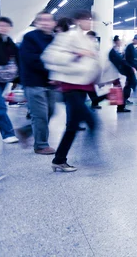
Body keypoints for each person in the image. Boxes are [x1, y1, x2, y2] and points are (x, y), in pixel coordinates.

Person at [42, 10, 101, 172]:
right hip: (71, 87)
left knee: (73, 126)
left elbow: (92, 64)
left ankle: (59, 160)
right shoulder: (67, 36)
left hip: (83, 87)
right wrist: (77, 53)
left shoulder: (88, 40)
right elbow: (49, 57)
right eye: (87, 19)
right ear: (78, 21)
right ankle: (93, 160)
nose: (90, 22)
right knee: (92, 121)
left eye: (91, 20)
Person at [16, 12, 57, 154]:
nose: (45, 23)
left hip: (50, 83)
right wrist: (51, 70)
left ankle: (25, 131)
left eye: (48, 20)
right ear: (37, 22)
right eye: (42, 20)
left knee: (50, 112)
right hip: (34, 82)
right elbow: (31, 59)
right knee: (40, 115)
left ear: (54, 23)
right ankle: (41, 145)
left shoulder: (54, 38)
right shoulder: (30, 37)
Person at [0, 16, 19, 143]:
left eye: (5, 26)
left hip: (3, 79)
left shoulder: (9, 41)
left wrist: (17, 78)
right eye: (0, 25)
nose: (3, 28)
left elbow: (17, 59)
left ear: (10, 28)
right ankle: (8, 134)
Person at [108, 36, 136, 113]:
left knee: (121, 90)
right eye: (119, 41)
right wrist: (130, 68)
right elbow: (120, 62)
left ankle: (121, 106)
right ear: (116, 41)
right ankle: (120, 107)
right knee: (121, 90)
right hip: (118, 74)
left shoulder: (116, 51)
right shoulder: (113, 52)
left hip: (120, 73)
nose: (120, 42)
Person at [124, 35, 137, 100]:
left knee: (130, 83)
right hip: (130, 68)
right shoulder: (130, 47)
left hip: (132, 68)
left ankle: (125, 99)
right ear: (133, 39)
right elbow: (127, 58)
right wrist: (131, 67)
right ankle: (125, 99)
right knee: (131, 83)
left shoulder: (133, 47)